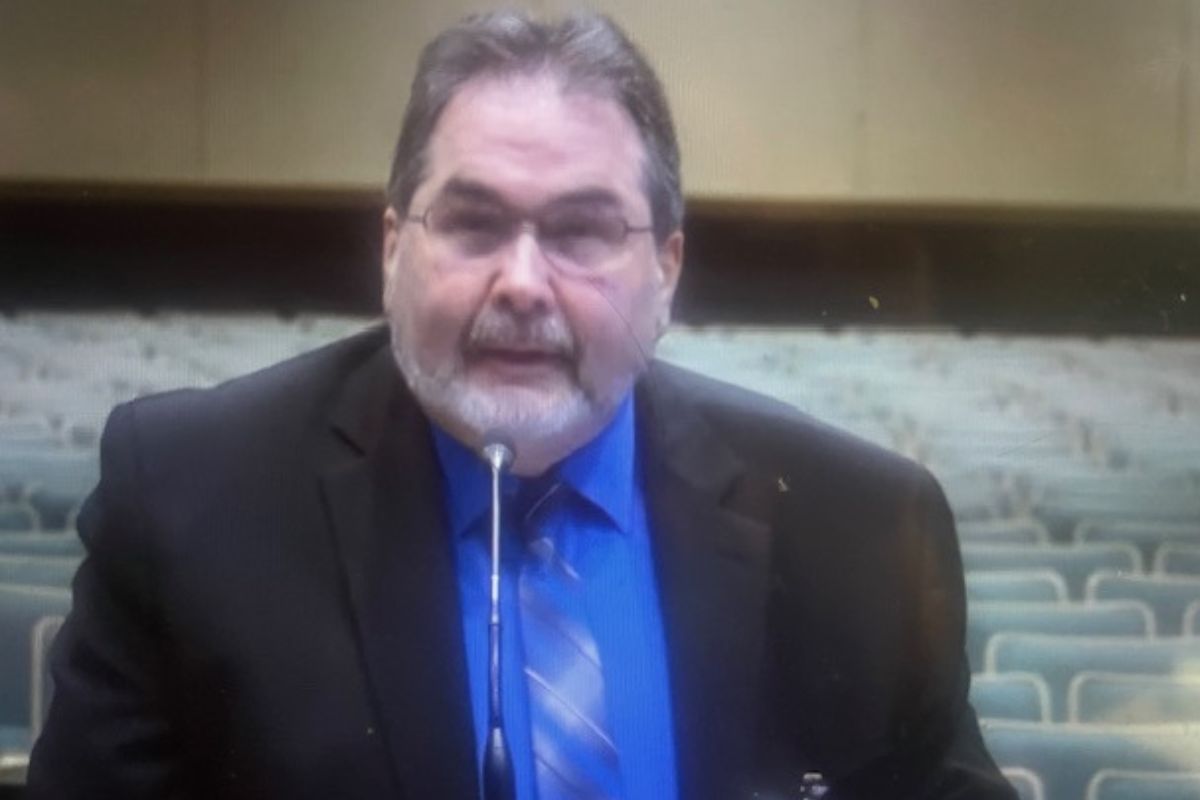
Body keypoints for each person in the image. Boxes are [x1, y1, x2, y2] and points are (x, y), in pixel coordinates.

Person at [28, 10, 1015, 800]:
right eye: (473, 222)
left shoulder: (857, 529)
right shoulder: (193, 499)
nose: (523, 283)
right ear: (391, 248)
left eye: (583, 231)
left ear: (665, 269)